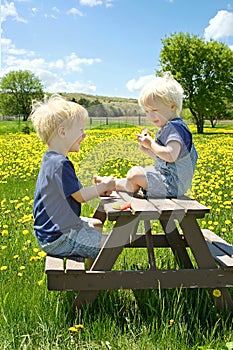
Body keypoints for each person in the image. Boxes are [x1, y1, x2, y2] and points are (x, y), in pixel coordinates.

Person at [30, 95, 115, 266]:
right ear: (63, 132)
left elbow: (74, 193)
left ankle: (91, 273)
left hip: (50, 233)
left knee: (97, 223)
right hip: (59, 238)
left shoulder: (50, 159)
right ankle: (93, 284)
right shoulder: (61, 164)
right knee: (112, 245)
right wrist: (104, 186)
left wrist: (98, 189)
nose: (84, 135)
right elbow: (80, 196)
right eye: (81, 130)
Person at [101, 72, 198, 198]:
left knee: (135, 174)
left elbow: (170, 155)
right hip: (167, 181)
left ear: (172, 106)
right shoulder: (169, 127)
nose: (150, 116)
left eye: (155, 110)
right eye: (147, 111)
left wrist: (151, 144)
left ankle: (112, 184)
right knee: (135, 177)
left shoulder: (176, 129)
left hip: (171, 185)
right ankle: (112, 184)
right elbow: (166, 162)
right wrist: (147, 149)